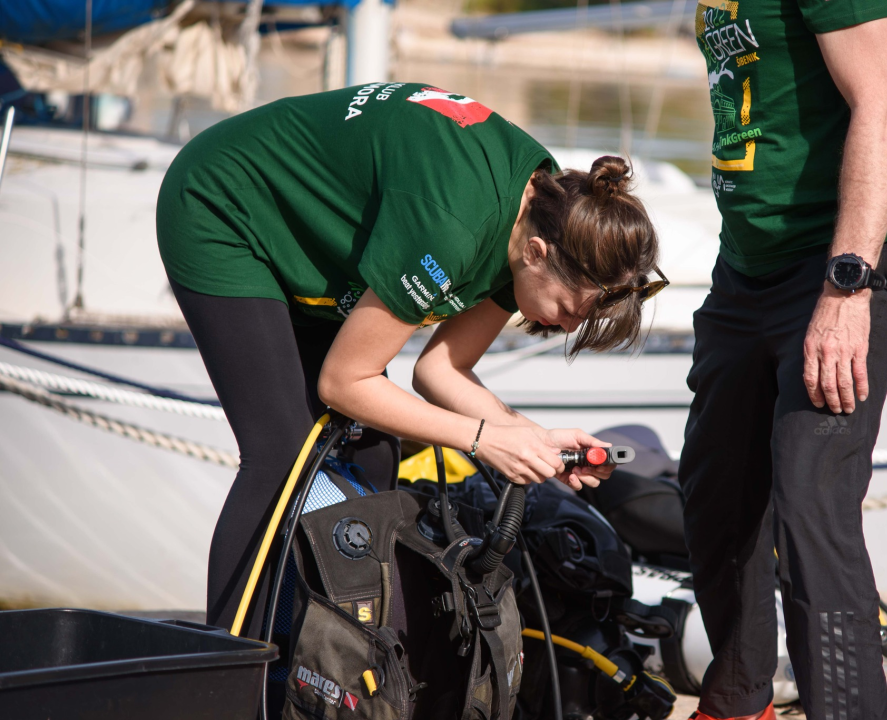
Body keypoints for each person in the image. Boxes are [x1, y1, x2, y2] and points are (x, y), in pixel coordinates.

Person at [156, 82, 666, 641]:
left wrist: (534, 439)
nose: (569, 326)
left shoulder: (544, 214)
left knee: (374, 455)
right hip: (224, 206)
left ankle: (331, 657)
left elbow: (440, 370)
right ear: (538, 255)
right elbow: (344, 382)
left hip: (310, 239)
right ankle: (226, 674)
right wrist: (483, 440)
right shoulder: (457, 228)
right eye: (571, 310)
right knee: (282, 458)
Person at [681, 2, 887, 719]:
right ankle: (735, 703)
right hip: (748, 263)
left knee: (809, 495)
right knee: (716, 492)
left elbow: (885, 103)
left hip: (846, 256)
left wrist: (845, 285)